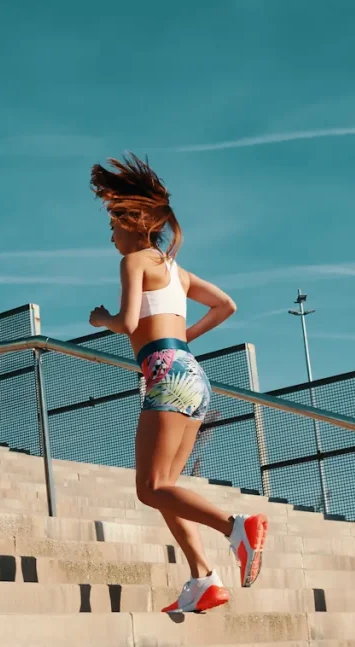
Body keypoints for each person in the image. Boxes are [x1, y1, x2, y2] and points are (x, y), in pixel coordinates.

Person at [87, 154, 268, 614]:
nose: (110, 235)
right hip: (192, 373)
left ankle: (236, 527)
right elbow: (226, 304)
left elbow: (129, 321)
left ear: (132, 223)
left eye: (113, 224)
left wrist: (102, 318)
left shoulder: (134, 262)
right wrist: (182, 338)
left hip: (165, 373)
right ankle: (203, 578)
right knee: (166, 484)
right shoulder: (175, 270)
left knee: (148, 488)